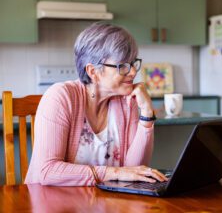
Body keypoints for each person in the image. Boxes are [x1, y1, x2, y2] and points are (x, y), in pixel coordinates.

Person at [25, 22, 167, 186]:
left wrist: (147, 114)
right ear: (93, 72)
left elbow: (134, 171)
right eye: (123, 66)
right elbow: (48, 171)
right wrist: (111, 173)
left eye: (133, 63)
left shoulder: (126, 101)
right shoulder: (61, 97)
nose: (134, 72)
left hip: (104, 203)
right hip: (54, 204)